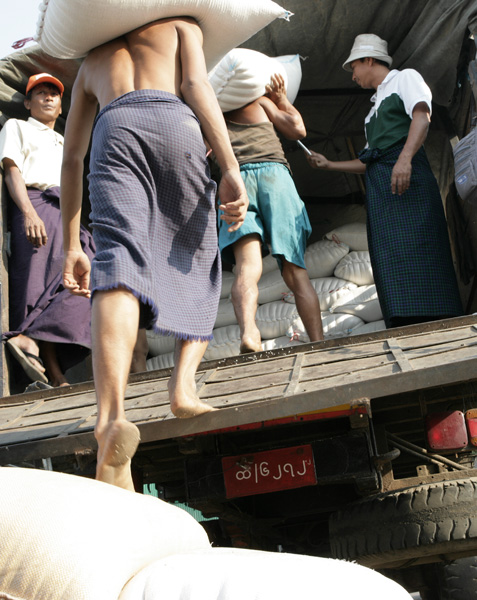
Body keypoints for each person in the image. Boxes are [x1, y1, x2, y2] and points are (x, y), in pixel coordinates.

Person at [60, 17, 248, 491]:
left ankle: (110, 419)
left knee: (117, 267)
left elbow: (71, 157)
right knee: (198, 254)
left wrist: (70, 246)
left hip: (114, 128)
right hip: (173, 122)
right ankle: (183, 386)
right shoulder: (182, 26)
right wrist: (229, 166)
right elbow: (195, 85)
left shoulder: (91, 63)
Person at [306, 34, 463, 328]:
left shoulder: (404, 78)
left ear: (368, 60)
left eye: (353, 67)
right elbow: (368, 160)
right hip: (382, 187)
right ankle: (403, 322)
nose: (352, 76)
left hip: (408, 178)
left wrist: (404, 160)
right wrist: (329, 164)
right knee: (389, 255)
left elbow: (422, 117)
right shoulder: (371, 113)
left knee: (422, 247)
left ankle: (441, 318)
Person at [216, 73, 323, 353]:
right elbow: (297, 129)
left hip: (235, 182)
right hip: (274, 178)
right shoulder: (261, 102)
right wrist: (283, 100)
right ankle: (318, 342)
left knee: (247, 267)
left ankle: (250, 333)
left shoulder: (209, 112)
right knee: (295, 270)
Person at [0, 73, 95, 388]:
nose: (48, 97)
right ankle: (53, 372)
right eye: (40, 93)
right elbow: (12, 169)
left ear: (60, 105)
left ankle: (32, 341)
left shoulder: (66, 142)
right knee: (39, 290)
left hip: (67, 215)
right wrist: (28, 212)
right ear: (27, 102)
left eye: (54, 93)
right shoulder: (18, 127)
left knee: (77, 287)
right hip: (37, 208)